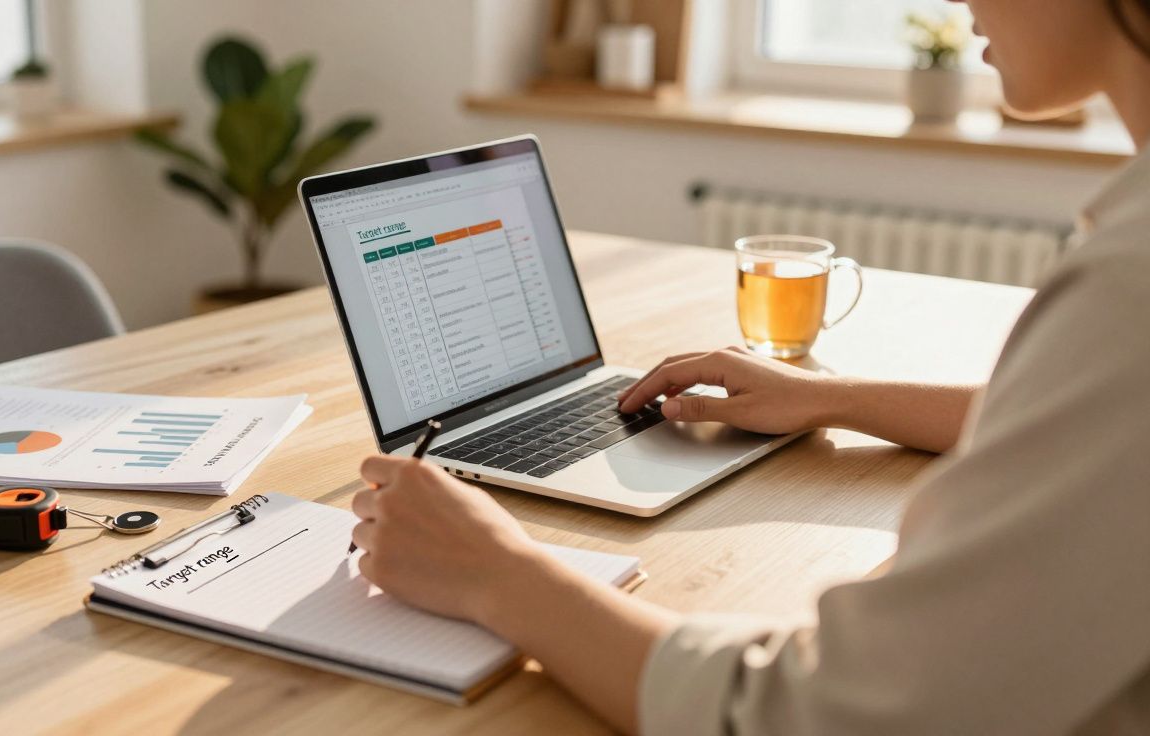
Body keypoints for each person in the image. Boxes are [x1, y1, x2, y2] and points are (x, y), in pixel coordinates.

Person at [348, 0, 1150, 732]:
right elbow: (1082, 425)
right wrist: (828, 398)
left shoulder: (1130, 286)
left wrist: (499, 573)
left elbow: (817, 715)